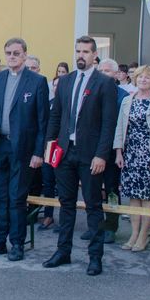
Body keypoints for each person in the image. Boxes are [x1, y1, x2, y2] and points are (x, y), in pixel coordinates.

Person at [43, 35, 118, 276]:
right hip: (65, 152)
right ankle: (63, 251)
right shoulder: (65, 81)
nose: (81, 55)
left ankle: (95, 257)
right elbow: (56, 116)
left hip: (91, 154)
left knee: (93, 206)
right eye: (78, 51)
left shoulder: (104, 83)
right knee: (65, 204)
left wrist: (101, 155)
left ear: (95, 55)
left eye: (85, 51)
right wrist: (49, 146)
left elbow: (109, 124)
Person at [0, 37, 48, 262]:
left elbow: (43, 121)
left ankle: (17, 244)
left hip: (23, 149)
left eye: (16, 53)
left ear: (25, 55)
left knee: (17, 198)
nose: (12, 56)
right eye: (8, 53)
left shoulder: (37, 81)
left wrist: (39, 152)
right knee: (0, 197)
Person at [113, 65, 150, 252]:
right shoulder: (127, 100)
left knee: (148, 197)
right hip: (131, 154)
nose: (143, 80)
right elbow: (120, 128)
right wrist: (119, 152)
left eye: (147, 77)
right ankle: (134, 234)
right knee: (133, 197)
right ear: (135, 79)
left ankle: (144, 236)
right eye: (140, 77)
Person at [91, 57, 129, 243]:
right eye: (101, 70)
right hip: (93, 148)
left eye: (107, 71)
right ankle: (95, 226)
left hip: (113, 149)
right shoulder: (92, 91)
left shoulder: (123, 96)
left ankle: (111, 226)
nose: (103, 74)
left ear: (116, 74)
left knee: (112, 189)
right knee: (93, 188)